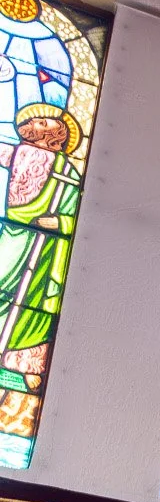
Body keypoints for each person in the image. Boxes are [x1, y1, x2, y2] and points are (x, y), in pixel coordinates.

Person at [0, 105, 84, 368]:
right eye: (35, 121)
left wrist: (57, 221)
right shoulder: (12, 154)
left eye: (45, 123)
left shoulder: (66, 171)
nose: (36, 124)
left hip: (40, 247)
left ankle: (13, 355)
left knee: (24, 299)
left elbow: (71, 211)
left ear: (58, 135)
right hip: (9, 234)